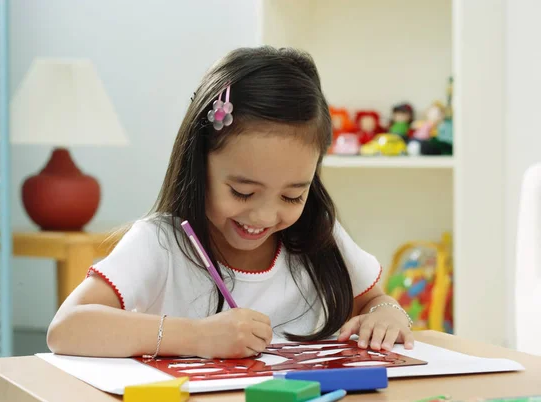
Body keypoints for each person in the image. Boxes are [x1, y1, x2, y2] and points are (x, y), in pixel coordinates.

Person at [46, 46, 414, 360]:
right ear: (199, 163)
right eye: (242, 192)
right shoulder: (161, 243)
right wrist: (197, 337)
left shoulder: (318, 235)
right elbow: (66, 329)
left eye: (292, 195)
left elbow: (375, 300)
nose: (265, 215)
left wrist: (387, 314)